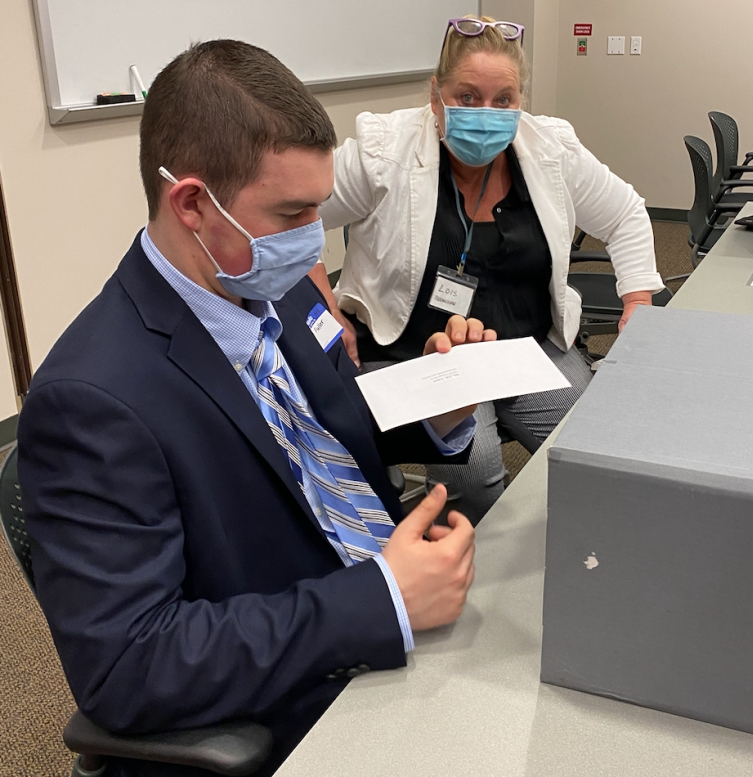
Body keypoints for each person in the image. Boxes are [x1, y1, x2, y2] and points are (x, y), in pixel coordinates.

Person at [17, 40, 493, 777]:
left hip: (401, 604)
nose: (314, 236)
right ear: (194, 204)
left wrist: (439, 407)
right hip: (298, 697)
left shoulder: (274, 286)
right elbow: (127, 665)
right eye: (293, 211)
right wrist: (378, 600)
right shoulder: (90, 401)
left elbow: (328, 430)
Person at [310, 16, 665, 524]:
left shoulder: (551, 148)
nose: (486, 113)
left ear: (521, 101)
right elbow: (296, 218)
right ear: (436, 94)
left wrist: (637, 302)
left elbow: (626, 213)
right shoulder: (382, 147)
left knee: (592, 448)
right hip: (417, 350)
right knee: (471, 473)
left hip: (524, 347)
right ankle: (472, 572)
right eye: (468, 96)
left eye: (503, 100)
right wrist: (329, 309)